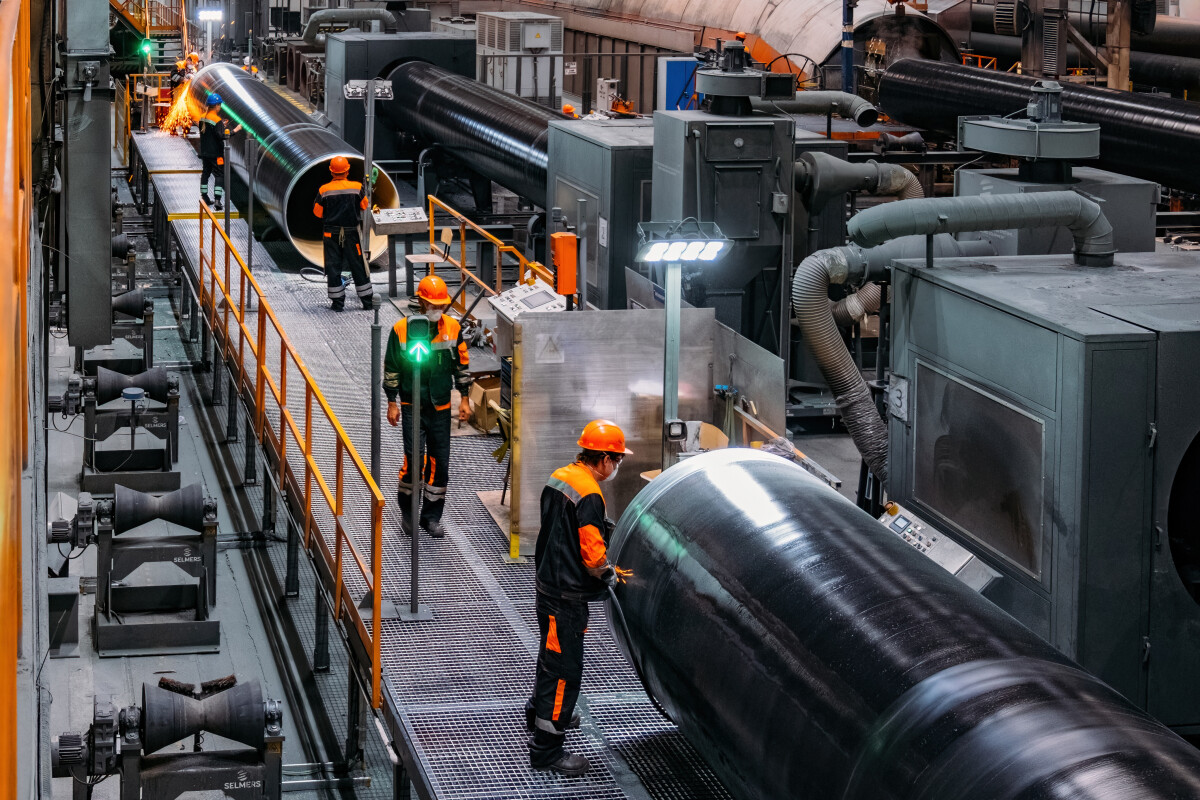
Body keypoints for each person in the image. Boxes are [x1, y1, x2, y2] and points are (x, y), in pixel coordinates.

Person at [527, 420, 632, 777]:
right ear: (602, 458)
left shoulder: (561, 476)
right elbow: (591, 555)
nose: (615, 467)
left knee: (550, 655)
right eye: (615, 460)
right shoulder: (590, 493)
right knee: (563, 671)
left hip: (548, 583)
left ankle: (538, 712)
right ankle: (546, 749)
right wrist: (609, 575)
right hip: (566, 595)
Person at [383, 274, 472, 538]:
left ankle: (431, 517)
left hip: (441, 408)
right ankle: (408, 513)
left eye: (441, 306)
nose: (438, 310)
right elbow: (391, 369)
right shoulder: (401, 330)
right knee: (414, 462)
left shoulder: (453, 329)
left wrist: (464, 398)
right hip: (412, 405)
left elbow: (461, 365)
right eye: (433, 306)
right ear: (422, 303)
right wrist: (392, 402)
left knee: (440, 463)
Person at [311, 156, 374, 311]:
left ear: (332, 172)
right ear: (347, 171)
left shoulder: (324, 190)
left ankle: (338, 304)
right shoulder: (357, 187)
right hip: (351, 232)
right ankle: (367, 302)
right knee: (358, 264)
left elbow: (317, 213)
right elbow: (364, 206)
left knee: (333, 266)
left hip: (330, 234)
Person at [198, 93, 227, 211]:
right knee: (219, 174)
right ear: (216, 106)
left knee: (206, 173)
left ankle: (204, 196)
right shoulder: (217, 119)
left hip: (205, 153)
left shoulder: (202, 117)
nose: (220, 107)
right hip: (217, 155)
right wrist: (234, 130)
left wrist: (221, 126)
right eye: (219, 105)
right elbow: (221, 136)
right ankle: (217, 200)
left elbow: (209, 132)